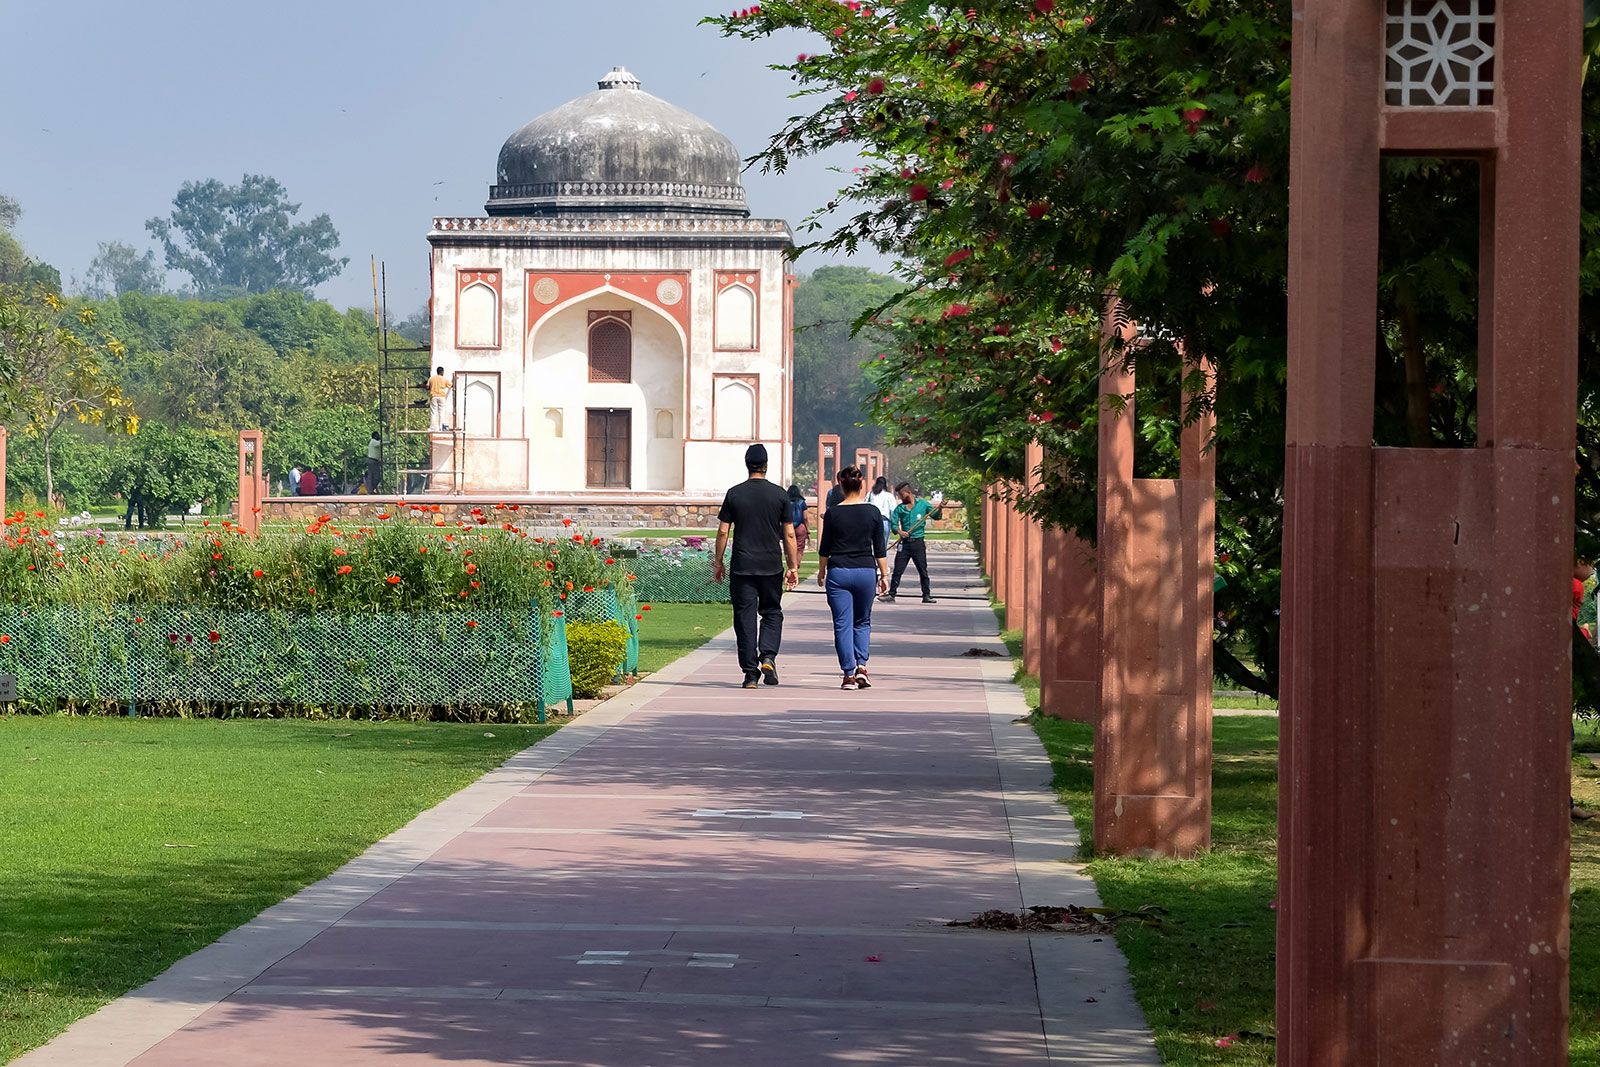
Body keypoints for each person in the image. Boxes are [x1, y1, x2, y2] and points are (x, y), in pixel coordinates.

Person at [712, 444, 800, 688]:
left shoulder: (735, 493)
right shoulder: (780, 494)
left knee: (745, 618)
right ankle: (768, 656)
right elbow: (790, 534)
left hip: (742, 565)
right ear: (766, 465)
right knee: (771, 612)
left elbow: (722, 531)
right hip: (771, 564)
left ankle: (750, 673)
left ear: (747, 464)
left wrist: (718, 562)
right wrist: (792, 566)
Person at [817, 466, 889, 690]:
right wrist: (884, 574)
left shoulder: (833, 513)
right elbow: (880, 549)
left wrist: (821, 571)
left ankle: (848, 674)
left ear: (840, 484)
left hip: (839, 572)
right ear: (862, 484)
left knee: (842, 624)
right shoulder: (873, 512)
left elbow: (825, 547)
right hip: (866, 572)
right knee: (862, 621)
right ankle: (862, 667)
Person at [882, 482, 943, 604]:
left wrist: (940, 508)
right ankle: (892, 594)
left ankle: (926, 595)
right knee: (898, 570)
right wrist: (900, 531)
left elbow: (936, 516)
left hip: (918, 543)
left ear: (908, 492)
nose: (899, 497)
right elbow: (894, 524)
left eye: (901, 494)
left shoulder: (923, 504)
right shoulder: (900, 508)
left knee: (922, 570)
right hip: (904, 544)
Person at [869, 475, 895, 545]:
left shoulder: (870, 495)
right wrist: (894, 524)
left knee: (872, 545)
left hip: (872, 521)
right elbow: (893, 511)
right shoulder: (889, 496)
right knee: (883, 546)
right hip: (884, 521)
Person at [787, 484, 811, 558]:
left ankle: (790, 566)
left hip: (788, 526)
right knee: (799, 548)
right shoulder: (802, 502)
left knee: (788, 548)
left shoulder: (786, 502)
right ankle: (796, 565)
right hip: (800, 527)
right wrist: (808, 530)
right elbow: (805, 517)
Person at [427, 366, 452, 430]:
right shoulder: (444, 379)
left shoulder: (431, 378)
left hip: (434, 396)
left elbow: (427, 386)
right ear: (442, 372)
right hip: (441, 397)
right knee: (441, 412)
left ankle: (432, 427)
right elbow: (450, 385)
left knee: (433, 412)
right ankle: (441, 427)